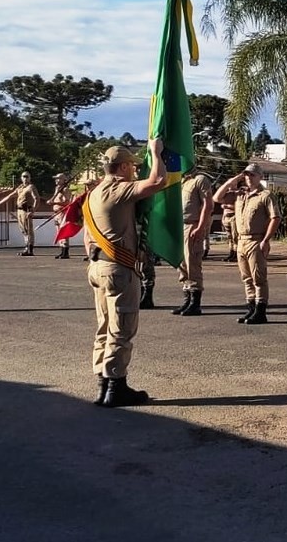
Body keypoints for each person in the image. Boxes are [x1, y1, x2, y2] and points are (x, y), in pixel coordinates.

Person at [84, 140, 166, 407]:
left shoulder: (93, 193)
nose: (135, 170)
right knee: (121, 328)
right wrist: (155, 153)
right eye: (132, 165)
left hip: (97, 266)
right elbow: (158, 182)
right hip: (117, 268)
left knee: (104, 326)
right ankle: (116, 386)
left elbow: (87, 237)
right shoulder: (117, 189)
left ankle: (103, 384)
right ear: (121, 167)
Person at [213, 163, 281, 324]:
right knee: (246, 278)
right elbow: (217, 198)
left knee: (258, 277)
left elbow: (275, 218)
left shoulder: (265, 196)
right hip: (241, 240)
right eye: (247, 175)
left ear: (260, 177)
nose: (249, 178)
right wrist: (233, 180)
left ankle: (260, 310)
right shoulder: (240, 194)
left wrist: (266, 240)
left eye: (252, 175)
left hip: (256, 239)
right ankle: (251, 307)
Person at [172, 168, 213, 316]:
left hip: (193, 225)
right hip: (180, 226)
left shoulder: (200, 180)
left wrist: (200, 227)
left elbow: (208, 204)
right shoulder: (182, 181)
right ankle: (187, 299)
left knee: (192, 263)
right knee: (182, 264)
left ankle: (195, 303)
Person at [0, 171, 40, 256]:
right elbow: (10, 196)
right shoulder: (20, 187)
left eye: (27, 176)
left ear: (30, 178)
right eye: (24, 176)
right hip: (19, 210)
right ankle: (26, 247)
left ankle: (29, 249)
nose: (25, 178)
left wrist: (33, 211)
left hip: (26, 210)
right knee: (23, 230)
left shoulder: (31, 187)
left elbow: (37, 199)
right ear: (21, 178)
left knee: (28, 230)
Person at [47, 173, 74, 259]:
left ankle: (65, 251)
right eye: (56, 179)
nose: (56, 180)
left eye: (58, 178)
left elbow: (67, 202)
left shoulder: (65, 190)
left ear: (63, 180)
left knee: (63, 231)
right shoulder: (57, 189)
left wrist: (54, 202)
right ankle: (62, 250)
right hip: (56, 213)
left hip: (62, 212)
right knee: (58, 232)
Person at [219, 185, 240, 262]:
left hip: (233, 216)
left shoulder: (238, 194)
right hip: (226, 217)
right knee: (229, 237)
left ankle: (236, 253)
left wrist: (228, 206)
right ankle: (231, 252)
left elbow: (239, 207)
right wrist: (223, 218)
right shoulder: (226, 194)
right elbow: (217, 198)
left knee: (235, 236)